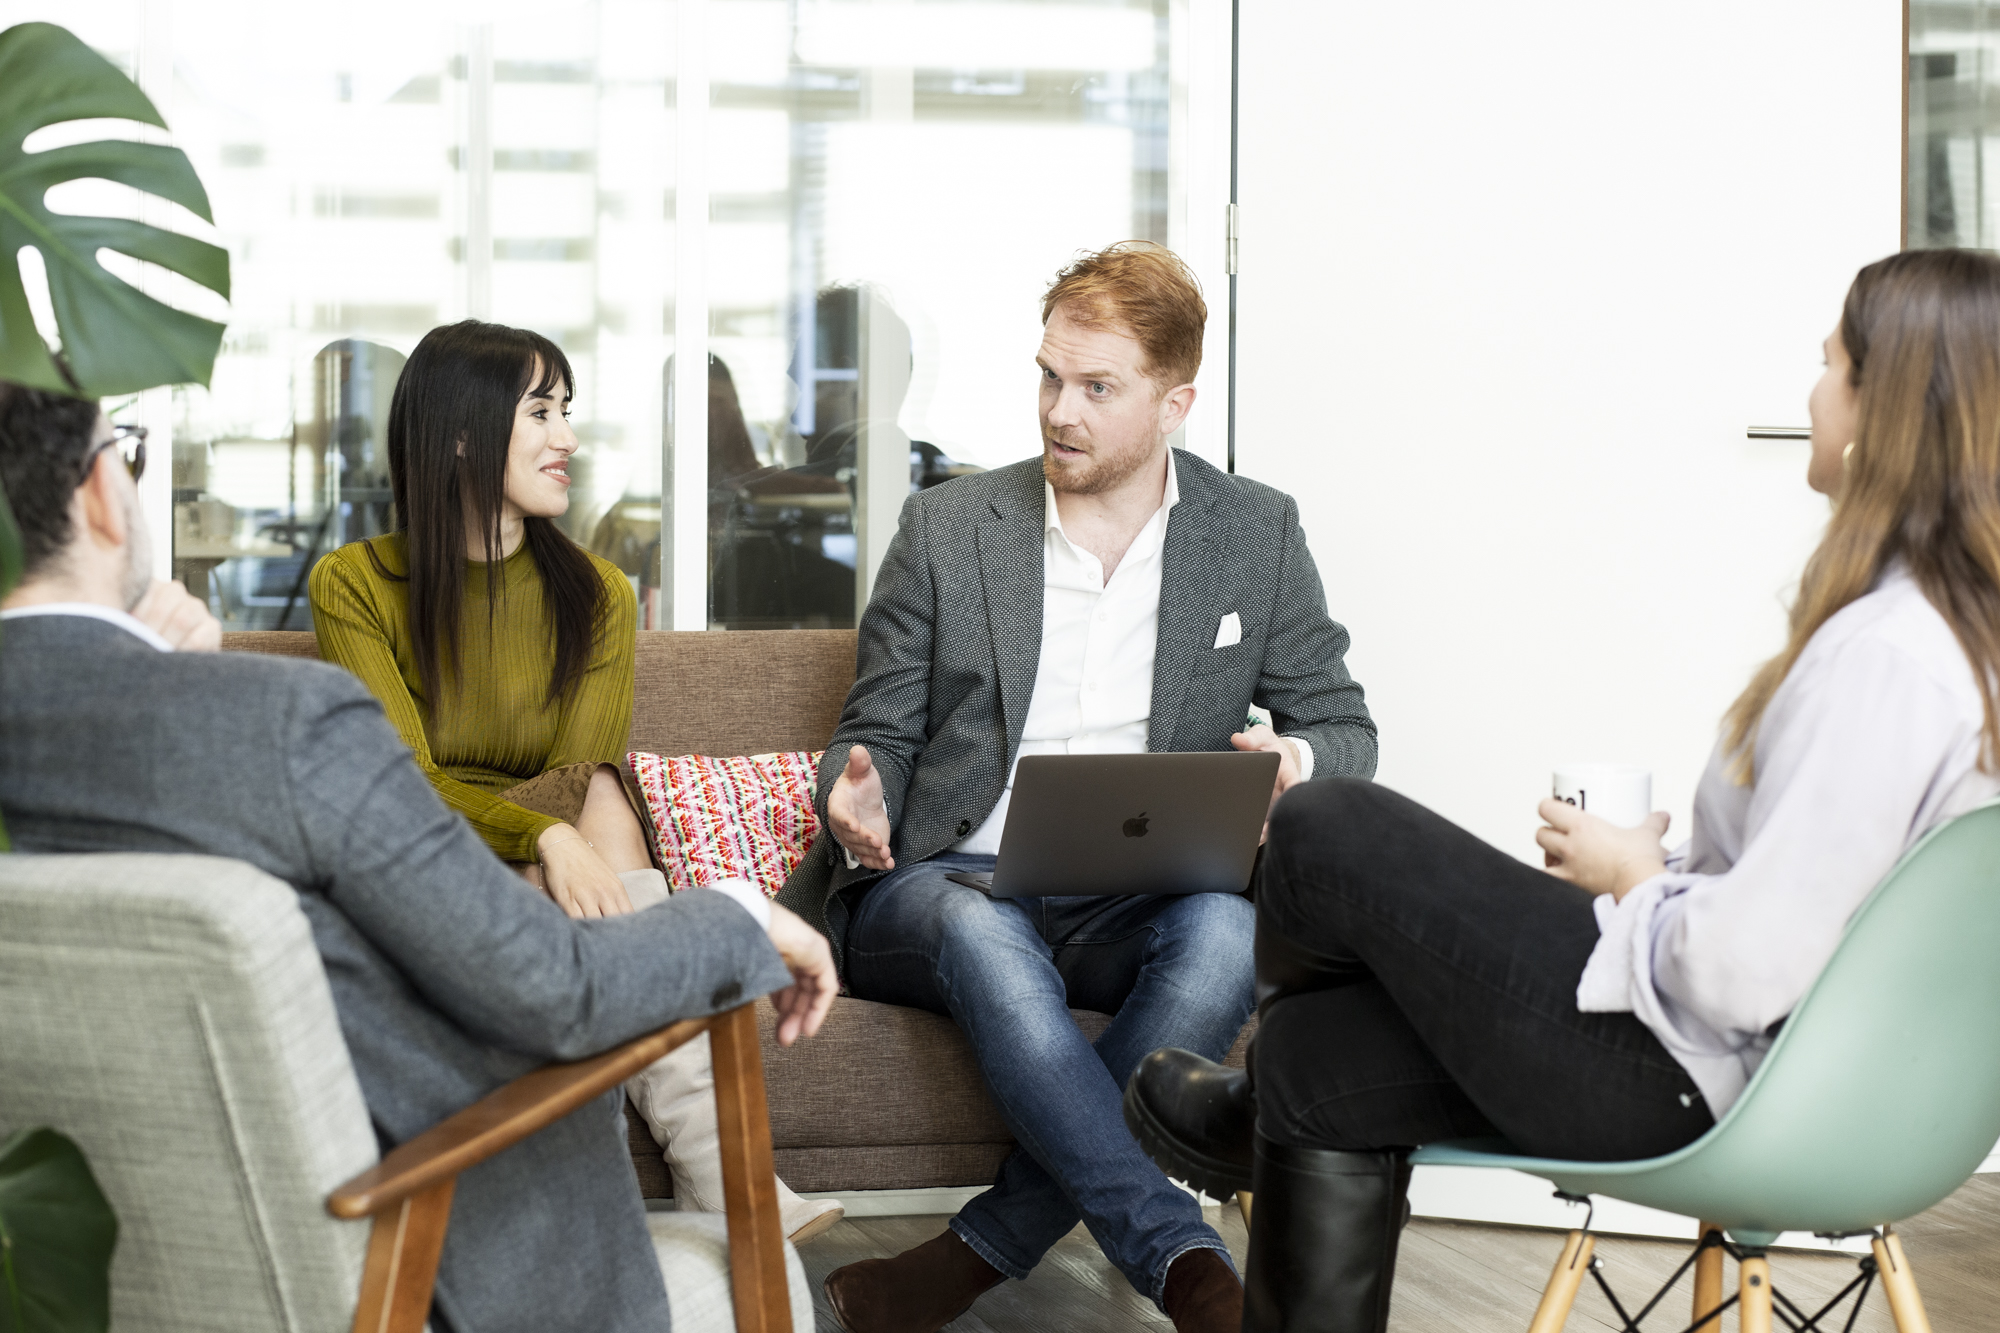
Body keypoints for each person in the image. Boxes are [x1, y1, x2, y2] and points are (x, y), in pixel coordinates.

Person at [1122, 246, 2000, 1332]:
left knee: (1322, 818)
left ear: (1888, 406)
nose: (1810, 392)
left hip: (1701, 1079)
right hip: (1775, 1073)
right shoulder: (1948, 643)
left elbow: (1743, 969)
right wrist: (1667, 877)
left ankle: (1245, 1111)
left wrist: (1635, 874)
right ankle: (1267, 1096)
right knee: (1321, 1054)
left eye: (1828, 366)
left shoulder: (1887, 659)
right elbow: (1823, 912)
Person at [0, 378, 839, 1332]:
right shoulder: (284, 725)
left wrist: (153, 677)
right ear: (104, 498)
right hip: (418, 1274)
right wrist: (737, 911)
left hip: (105, 1274)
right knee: (762, 1277)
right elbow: (555, 991)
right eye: (133, 453)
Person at [780, 242, 1379, 1333]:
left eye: (1096, 387)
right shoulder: (950, 526)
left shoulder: (1254, 534)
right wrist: (853, 793)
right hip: (943, 886)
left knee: (1220, 931)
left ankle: (976, 1251)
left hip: (1131, 889)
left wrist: (1295, 761)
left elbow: (1342, 724)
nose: (1060, 409)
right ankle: (1186, 1265)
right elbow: (873, 730)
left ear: (1174, 401)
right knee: (981, 934)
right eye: (1049, 376)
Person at [307, 320, 842, 1242]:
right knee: (590, 830)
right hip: (420, 853)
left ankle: (680, 1187)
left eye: (569, 412)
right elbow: (397, 778)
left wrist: (553, 835)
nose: (569, 439)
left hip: (567, 859)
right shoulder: (354, 584)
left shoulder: (599, 593)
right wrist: (542, 838)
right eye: (543, 411)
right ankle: (728, 1177)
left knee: (602, 802)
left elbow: (574, 775)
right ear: (465, 432)